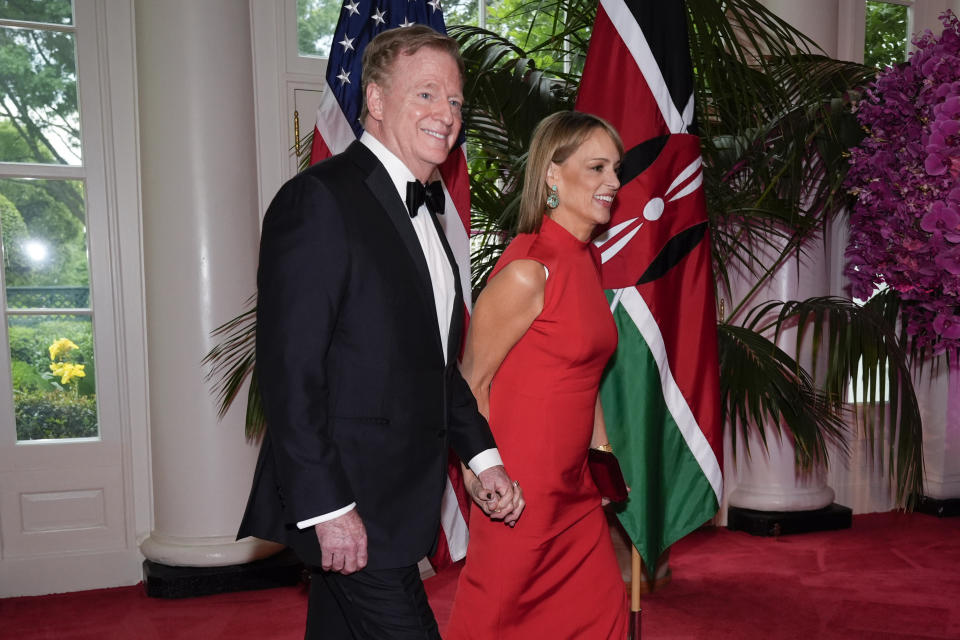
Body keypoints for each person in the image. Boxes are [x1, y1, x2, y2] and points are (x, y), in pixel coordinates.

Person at [236, 25, 524, 640]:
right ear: (375, 100)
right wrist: (328, 508)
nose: (445, 115)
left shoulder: (428, 212)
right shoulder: (319, 200)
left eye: (454, 101)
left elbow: (436, 370)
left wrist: (484, 457)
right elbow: (291, 372)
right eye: (426, 94)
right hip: (349, 504)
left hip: (398, 504)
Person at [446, 110, 629, 639]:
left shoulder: (586, 260)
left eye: (615, 169)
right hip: (518, 489)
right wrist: (482, 474)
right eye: (596, 168)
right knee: (496, 619)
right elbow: (470, 383)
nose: (613, 183)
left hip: (573, 489)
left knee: (602, 615)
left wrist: (601, 460)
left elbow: (586, 372)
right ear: (552, 173)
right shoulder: (530, 269)